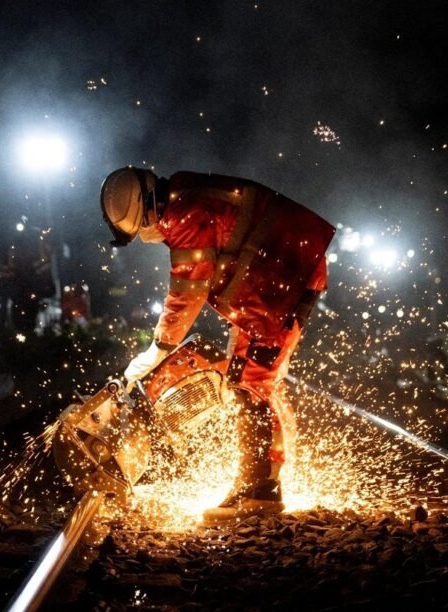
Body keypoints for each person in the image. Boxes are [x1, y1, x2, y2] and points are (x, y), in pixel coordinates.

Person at [100, 167, 334, 521]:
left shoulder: (185, 214)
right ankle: (266, 478)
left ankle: (258, 491)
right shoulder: (189, 196)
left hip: (282, 279)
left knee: (250, 386)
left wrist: (159, 348)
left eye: (141, 228)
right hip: (275, 281)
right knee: (254, 382)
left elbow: (188, 287)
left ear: (144, 209)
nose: (148, 236)